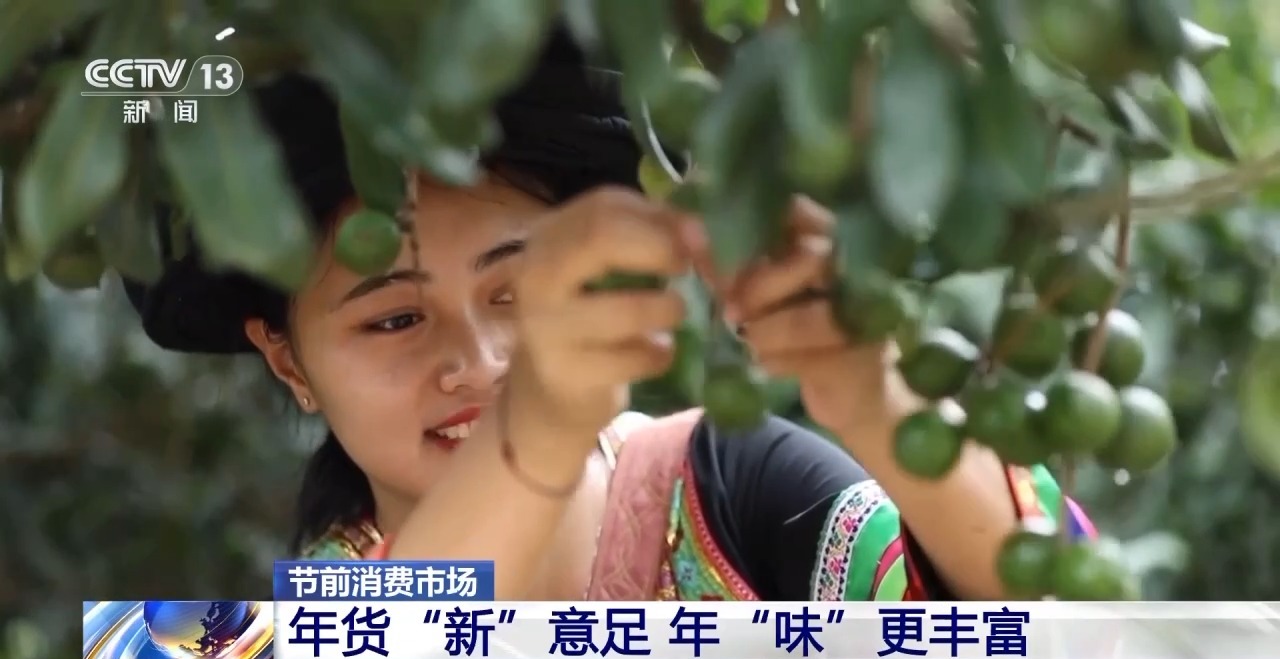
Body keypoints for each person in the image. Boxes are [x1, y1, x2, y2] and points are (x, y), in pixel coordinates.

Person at [124, 28, 1095, 602]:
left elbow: (1069, 621)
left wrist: (871, 389)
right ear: (287, 359)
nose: (479, 359)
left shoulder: (738, 491)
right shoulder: (304, 619)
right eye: (393, 320)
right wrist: (536, 425)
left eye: (517, 292)